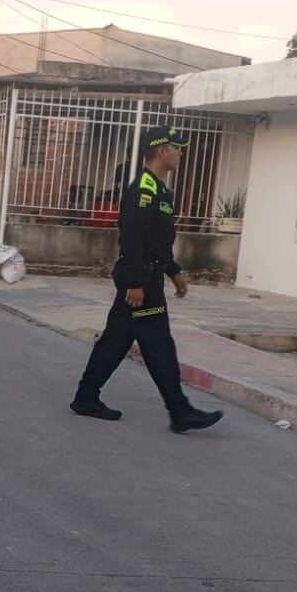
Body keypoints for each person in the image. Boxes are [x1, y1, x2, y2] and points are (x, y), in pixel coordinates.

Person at [70, 125, 224, 434]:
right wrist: (134, 283)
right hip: (142, 281)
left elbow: (157, 240)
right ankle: (179, 410)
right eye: (176, 148)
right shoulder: (143, 189)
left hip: (148, 275)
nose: (180, 153)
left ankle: (86, 396)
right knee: (158, 343)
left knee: (117, 339)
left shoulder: (159, 189)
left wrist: (173, 270)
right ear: (161, 150)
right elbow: (132, 238)